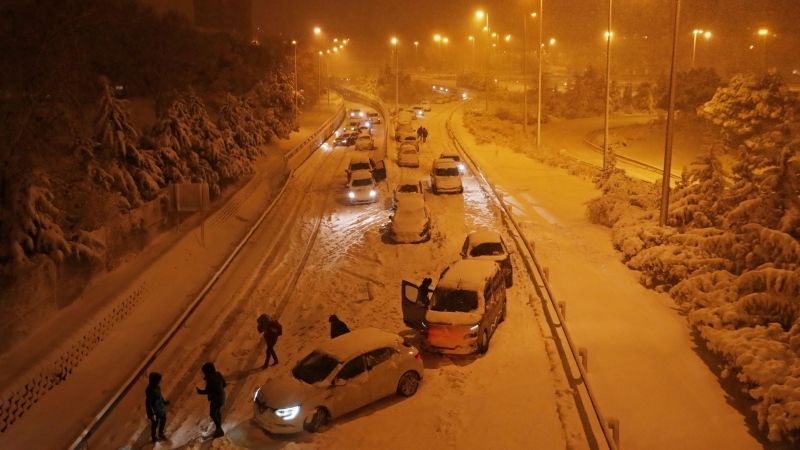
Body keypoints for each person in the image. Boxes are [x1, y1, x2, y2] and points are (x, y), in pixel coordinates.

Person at [196, 362, 226, 438]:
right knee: (218, 411)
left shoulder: (210, 379)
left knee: (212, 413)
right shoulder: (218, 374)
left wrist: (200, 391)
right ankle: (219, 427)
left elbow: (207, 391)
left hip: (216, 399)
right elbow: (224, 384)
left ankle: (219, 429)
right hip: (222, 396)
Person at [145, 372, 170, 442]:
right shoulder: (150, 390)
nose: (160, 382)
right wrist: (152, 413)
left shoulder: (157, 387)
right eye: (159, 380)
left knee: (163, 419)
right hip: (155, 410)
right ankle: (154, 436)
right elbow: (148, 403)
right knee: (155, 423)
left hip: (160, 407)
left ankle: (161, 433)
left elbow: (159, 395)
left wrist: (164, 402)